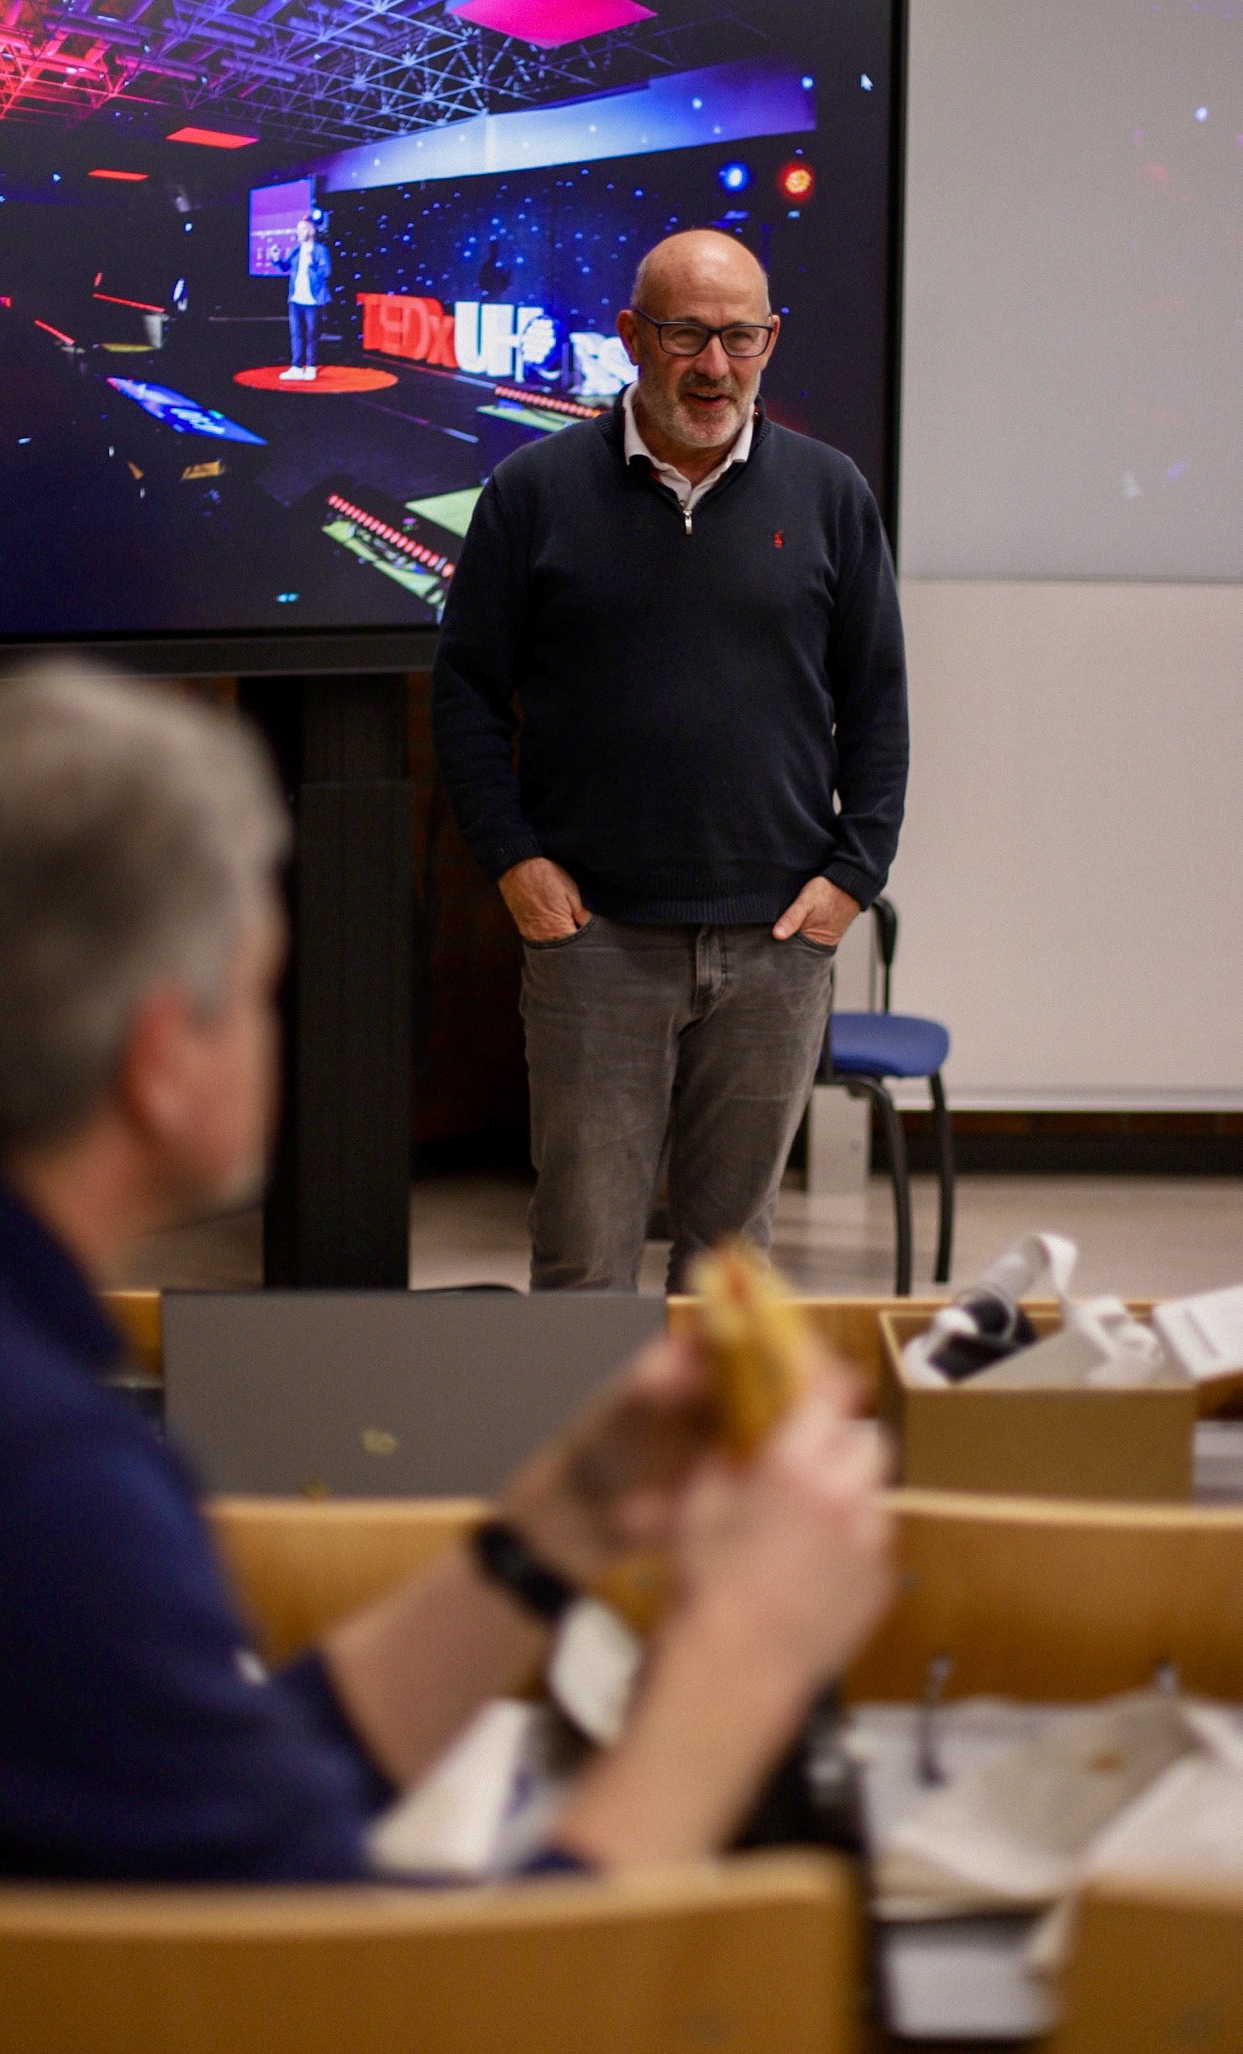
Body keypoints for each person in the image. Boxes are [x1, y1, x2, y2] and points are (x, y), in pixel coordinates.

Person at [0, 666, 892, 1882]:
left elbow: (228, 1790)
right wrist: (743, 1656)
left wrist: (557, 1526)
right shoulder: (42, 1493)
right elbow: (369, 1972)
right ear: (165, 1060)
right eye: (261, 989)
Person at [432, 230, 909, 1293]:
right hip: (593, 942)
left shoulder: (830, 493)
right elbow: (465, 694)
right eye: (686, 335)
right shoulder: (532, 490)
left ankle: (704, 1427)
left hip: (776, 945)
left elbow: (878, 705)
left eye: (741, 337)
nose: (714, 365)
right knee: (582, 1265)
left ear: (771, 339)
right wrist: (513, 861)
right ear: (630, 336)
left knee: (730, 1280)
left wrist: (851, 879)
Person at [277, 214, 331, 383]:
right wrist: (276, 259)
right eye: (297, 229)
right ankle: (296, 367)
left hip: (312, 300)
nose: (298, 232)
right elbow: (285, 267)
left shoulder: (320, 250)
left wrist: (312, 263)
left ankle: (311, 366)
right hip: (295, 299)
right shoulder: (296, 249)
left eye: (302, 229)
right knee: (296, 334)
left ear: (311, 231)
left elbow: (326, 272)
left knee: (312, 334)